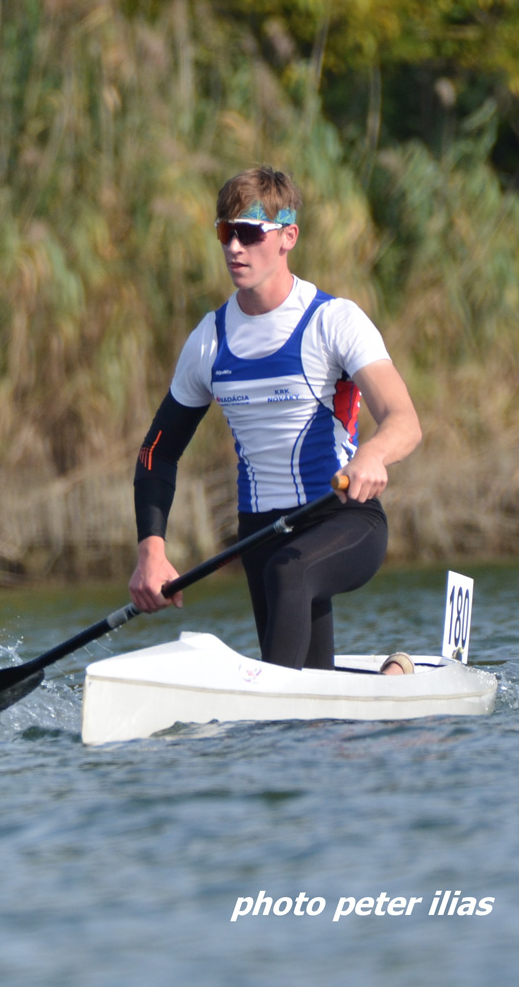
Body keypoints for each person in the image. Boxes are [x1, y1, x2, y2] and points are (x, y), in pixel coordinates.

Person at [128, 167, 421, 672]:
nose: (233, 248)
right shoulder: (209, 340)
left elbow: (404, 420)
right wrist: (151, 552)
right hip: (262, 533)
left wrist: (373, 453)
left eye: (249, 233)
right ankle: (384, 685)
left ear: (288, 237)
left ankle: (275, 715)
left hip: (342, 517)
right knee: (307, 679)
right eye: (225, 232)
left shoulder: (334, 321)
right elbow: (157, 452)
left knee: (291, 573)